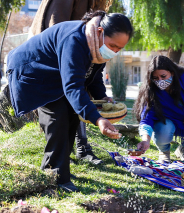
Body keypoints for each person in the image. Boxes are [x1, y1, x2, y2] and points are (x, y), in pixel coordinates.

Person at [7, 11, 134, 192]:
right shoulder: (75, 40)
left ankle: (61, 171)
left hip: (56, 75)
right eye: (113, 45)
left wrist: (102, 97)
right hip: (33, 72)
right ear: (99, 32)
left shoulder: (97, 45)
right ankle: (53, 177)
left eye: (119, 49)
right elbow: (73, 86)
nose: (114, 51)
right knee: (57, 117)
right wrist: (98, 119)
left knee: (72, 116)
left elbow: (94, 75)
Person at [30, 0, 125, 165]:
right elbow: (55, 27)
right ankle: (59, 163)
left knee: (76, 101)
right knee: (61, 109)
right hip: (54, 59)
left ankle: (75, 150)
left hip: (74, 58)